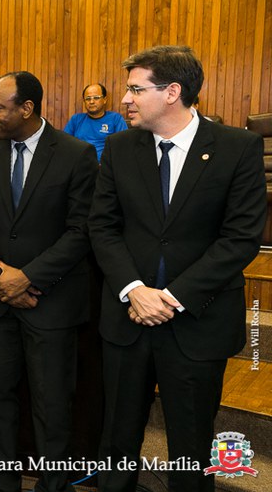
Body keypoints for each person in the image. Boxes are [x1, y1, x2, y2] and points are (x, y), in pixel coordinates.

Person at [88, 45, 267, 492]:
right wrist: (134, 289)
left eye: (135, 89)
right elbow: (103, 227)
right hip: (128, 319)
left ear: (172, 92)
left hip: (197, 322)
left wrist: (171, 298)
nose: (124, 99)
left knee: (191, 446)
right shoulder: (119, 148)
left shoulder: (237, 147)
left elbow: (240, 239)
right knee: (117, 440)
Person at [0, 71, 98, 492]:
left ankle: (53, 486)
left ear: (27, 108)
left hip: (52, 301)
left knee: (52, 404)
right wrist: (0, 279)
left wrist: (28, 278)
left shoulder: (76, 154)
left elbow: (82, 230)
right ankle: (0, 484)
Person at [63, 83, 128, 161]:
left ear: (104, 100)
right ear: (84, 101)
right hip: (79, 164)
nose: (91, 101)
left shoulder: (115, 118)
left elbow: (124, 145)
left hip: (104, 165)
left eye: (96, 98)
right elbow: (64, 143)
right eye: (88, 98)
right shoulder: (76, 119)